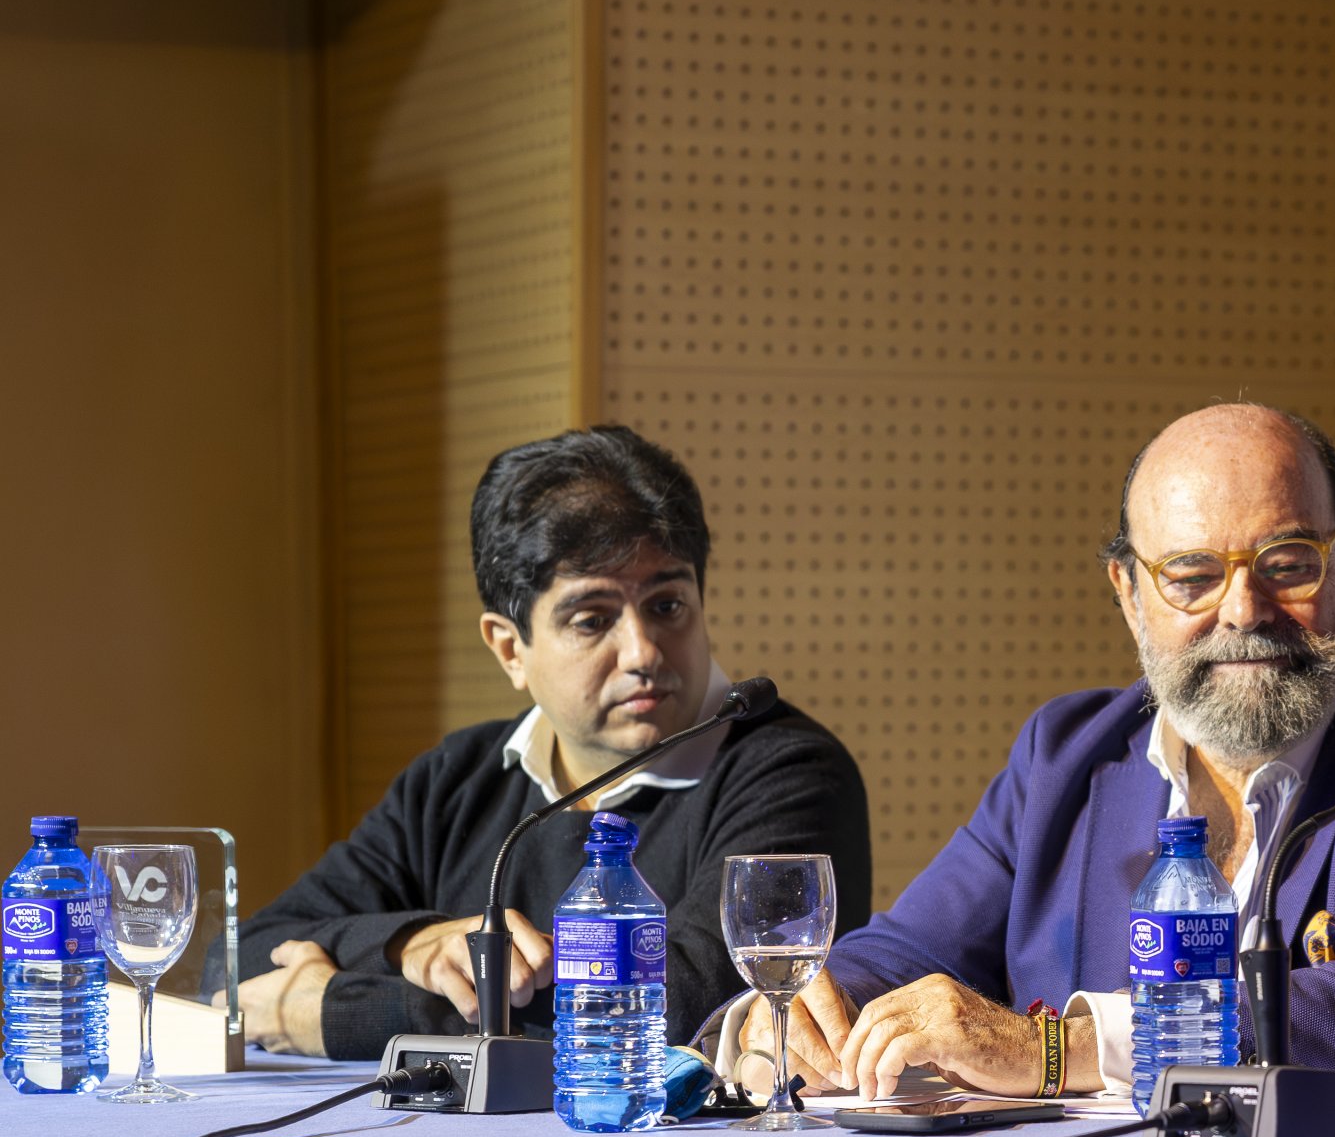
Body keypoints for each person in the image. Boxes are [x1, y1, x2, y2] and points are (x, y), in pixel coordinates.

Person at [732, 403, 1335, 1098]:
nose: (1243, 609)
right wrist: (785, 1023)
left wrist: (1059, 1050)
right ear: (1129, 596)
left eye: (1288, 564)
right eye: (1191, 575)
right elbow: (904, 953)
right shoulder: (1064, 756)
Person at [236, 426, 869, 1063]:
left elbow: (685, 1004)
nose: (643, 652)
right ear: (511, 649)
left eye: (668, 605)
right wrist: (412, 944)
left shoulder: (791, 770)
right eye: (593, 619)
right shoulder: (455, 780)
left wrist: (344, 1012)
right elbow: (241, 954)